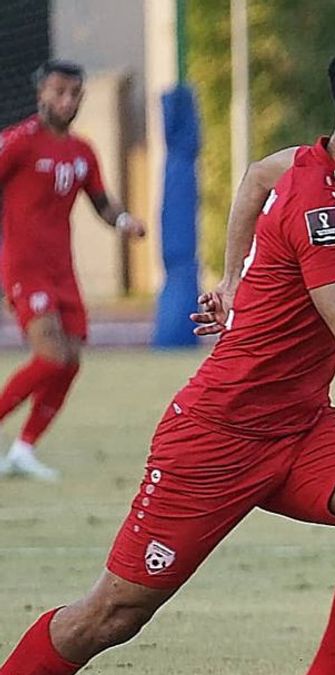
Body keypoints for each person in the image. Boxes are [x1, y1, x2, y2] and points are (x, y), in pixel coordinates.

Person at [0, 36, 335, 674]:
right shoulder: (324, 208)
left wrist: (230, 283)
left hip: (299, 427)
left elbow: (253, 178)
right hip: (216, 437)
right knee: (111, 616)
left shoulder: (321, 162)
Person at [0, 60, 147, 481]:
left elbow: (102, 202)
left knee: (70, 363)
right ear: (40, 94)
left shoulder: (81, 151)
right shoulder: (19, 142)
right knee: (51, 356)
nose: (66, 101)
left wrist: (124, 222)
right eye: (58, 92)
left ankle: (24, 450)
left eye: (74, 94)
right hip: (24, 269)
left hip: (63, 271)